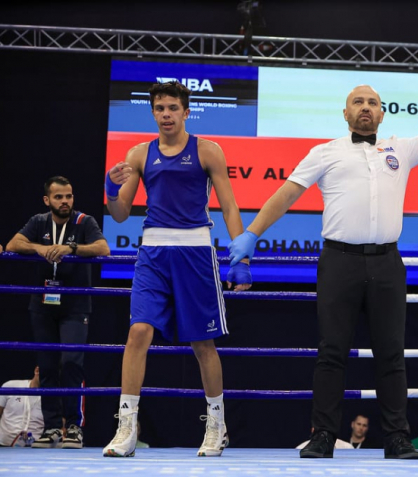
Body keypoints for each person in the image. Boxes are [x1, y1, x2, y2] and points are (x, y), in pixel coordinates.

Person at [228, 48, 418, 460]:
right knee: (332, 351)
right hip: (339, 260)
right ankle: (323, 434)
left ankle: (396, 437)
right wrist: (251, 234)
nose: (365, 108)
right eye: (357, 102)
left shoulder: (402, 148)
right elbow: (287, 194)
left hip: (387, 263)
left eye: (372, 102)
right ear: (345, 114)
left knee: (391, 352)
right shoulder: (325, 152)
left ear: (382, 113)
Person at [101, 80, 252, 458]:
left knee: (203, 343)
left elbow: (229, 207)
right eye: (160, 108)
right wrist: (108, 190)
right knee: (138, 332)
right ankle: (126, 427)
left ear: (186, 111)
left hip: (195, 251)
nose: (166, 114)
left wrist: (241, 258)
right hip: (152, 252)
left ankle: (217, 424)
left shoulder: (208, 150)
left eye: (172, 108)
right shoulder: (139, 154)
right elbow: (119, 215)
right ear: (152, 112)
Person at [6, 176, 110, 449]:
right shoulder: (39, 222)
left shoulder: (84, 222)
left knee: (72, 361)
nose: (65, 201)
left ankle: (73, 426)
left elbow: (103, 248)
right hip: (42, 303)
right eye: (59, 197)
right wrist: (38, 247)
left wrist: (71, 248)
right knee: (48, 365)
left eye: (69, 196)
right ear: (47, 200)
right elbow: (12, 244)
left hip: (75, 304)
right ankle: (52, 426)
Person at [0, 366, 43, 447]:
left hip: (35, 449)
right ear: (37, 371)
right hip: (3, 446)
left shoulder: (54, 399)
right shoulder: (11, 386)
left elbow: (59, 427)